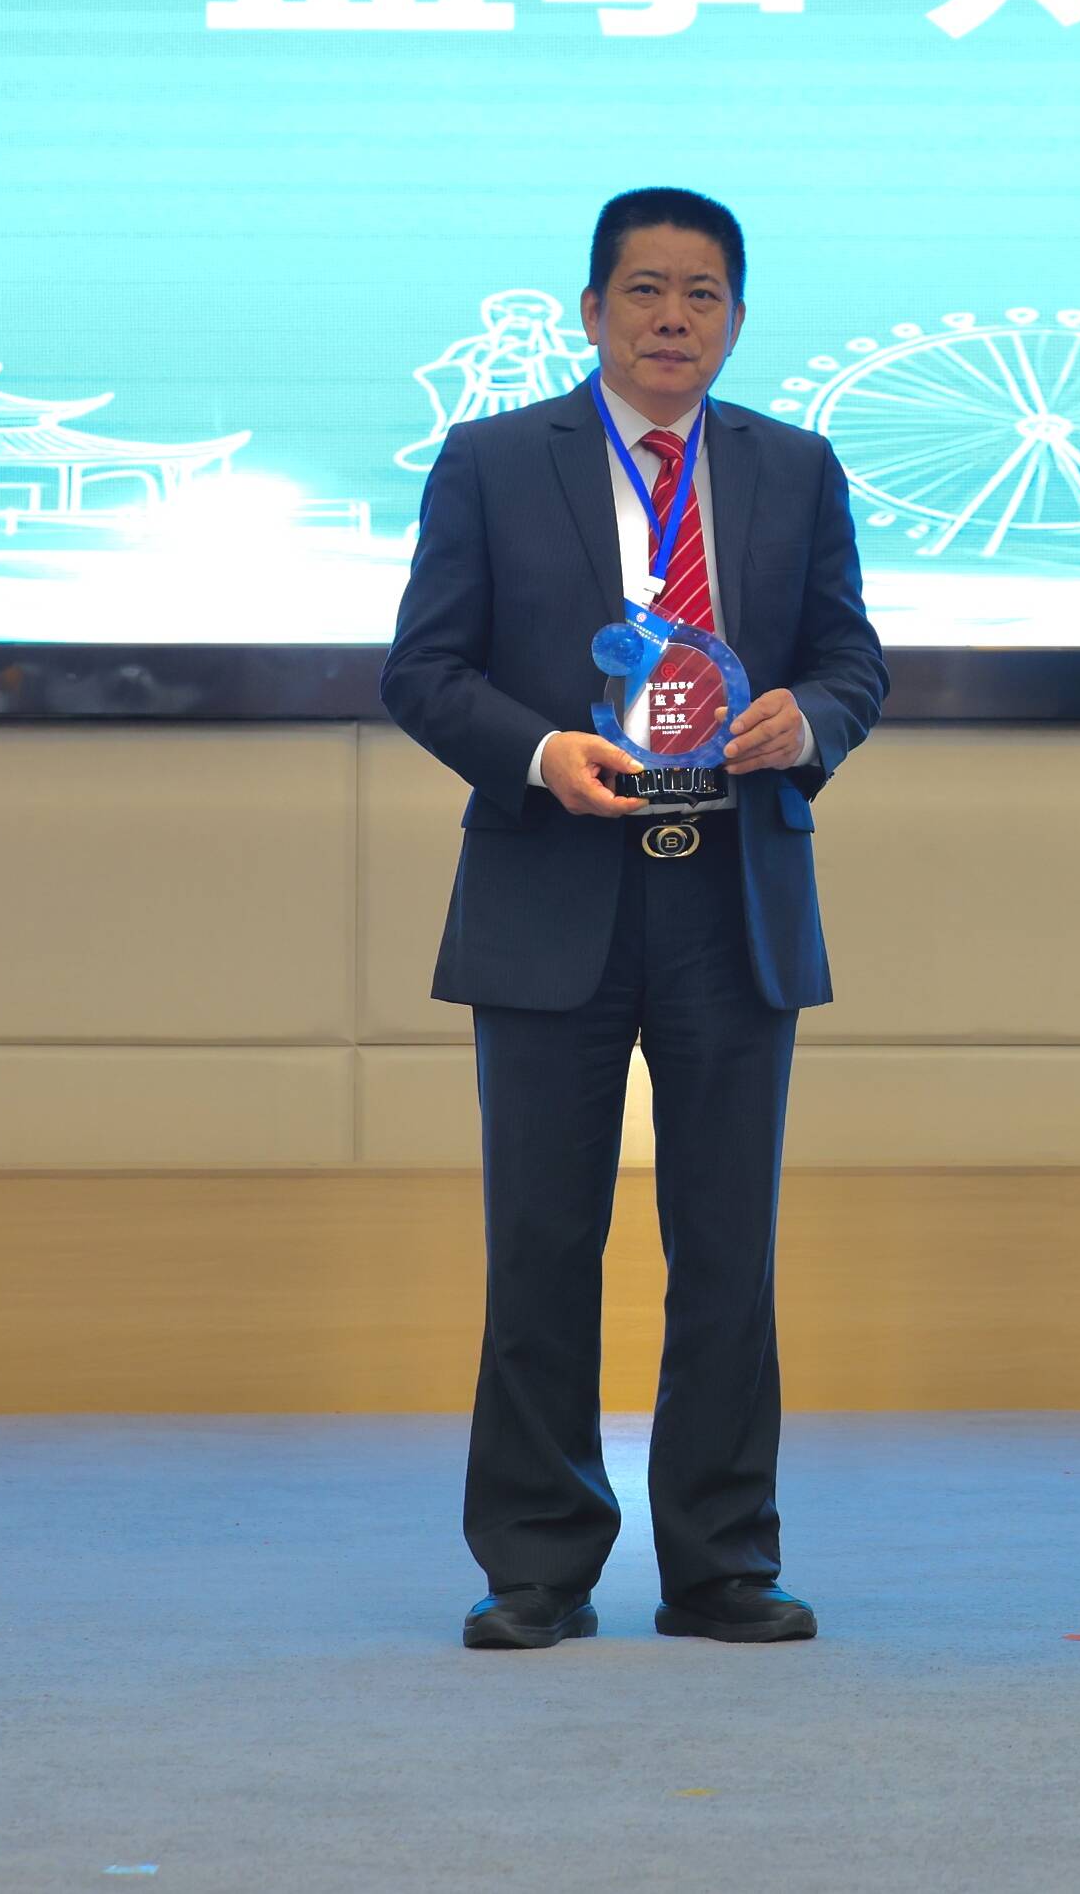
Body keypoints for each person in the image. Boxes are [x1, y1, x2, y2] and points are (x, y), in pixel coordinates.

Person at [384, 187, 887, 1653]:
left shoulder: (794, 467)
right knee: (543, 1243)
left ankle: (722, 1562)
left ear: (736, 318)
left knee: (727, 1250)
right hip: (555, 884)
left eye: (703, 294)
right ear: (593, 310)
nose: (675, 318)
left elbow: (853, 660)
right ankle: (536, 1564)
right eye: (647, 291)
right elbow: (423, 671)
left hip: (735, 893)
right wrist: (543, 750)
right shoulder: (494, 461)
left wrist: (811, 720)